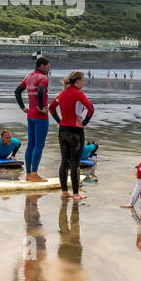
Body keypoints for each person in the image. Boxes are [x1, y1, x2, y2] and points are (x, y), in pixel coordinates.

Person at [48, 70, 94, 201]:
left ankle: (64, 192)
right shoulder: (78, 94)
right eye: (83, 81)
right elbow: (91, 108)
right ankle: (75, 194)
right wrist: (84, 122)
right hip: (76, 132)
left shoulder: (62, 94)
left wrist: (59, 121)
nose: (84, 83)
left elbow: (51, 108)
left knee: (64, 162)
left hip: (62, 131)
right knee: (75, 163)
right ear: (77, 81)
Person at [15, 56, 53, 182]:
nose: (49, 68)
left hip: (30, 114)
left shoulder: (28, 77)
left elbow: (17, 91)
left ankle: (28, 173)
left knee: (31, 144)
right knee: (39, 145)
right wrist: (42, 107)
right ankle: (35, 174)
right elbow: (41, 90)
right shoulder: (43, 78)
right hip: (40, 116)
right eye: (48, 66)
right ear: (41, 65)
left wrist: (22, 107)